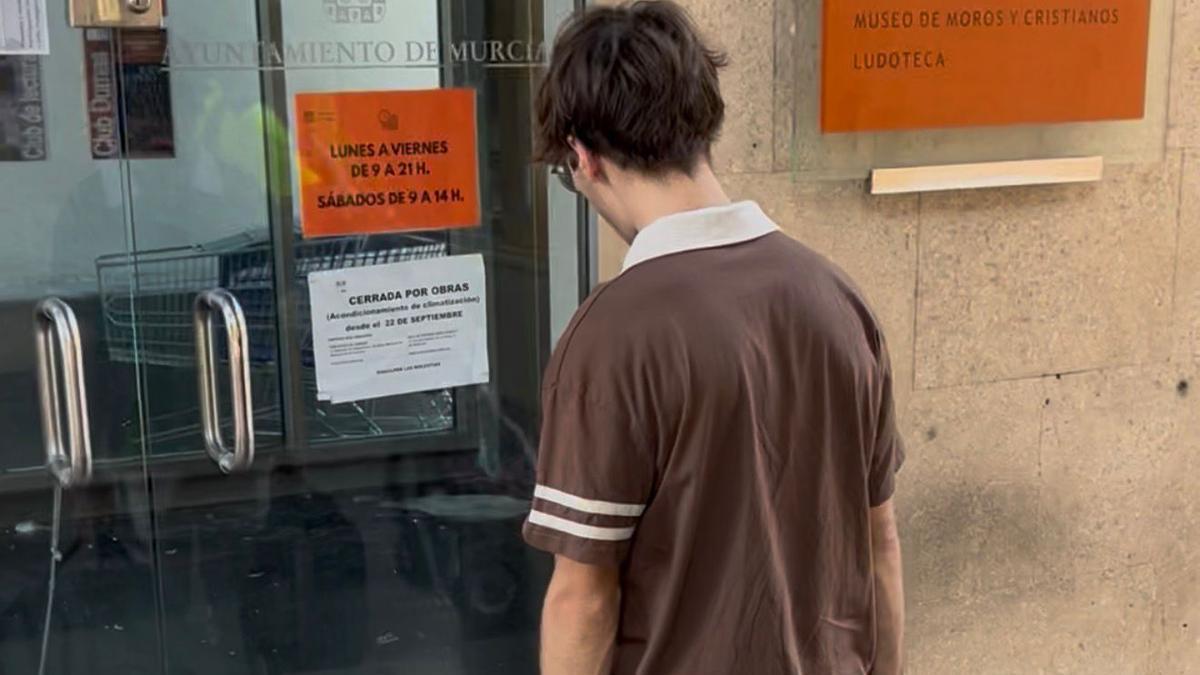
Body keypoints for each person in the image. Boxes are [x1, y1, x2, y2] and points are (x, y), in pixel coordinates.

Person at [522, 2, 906, 673]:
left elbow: (583, 599)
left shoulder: (612, 335)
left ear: (583, 158)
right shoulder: (837, 299)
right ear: (702, 125)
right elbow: (880, 544)